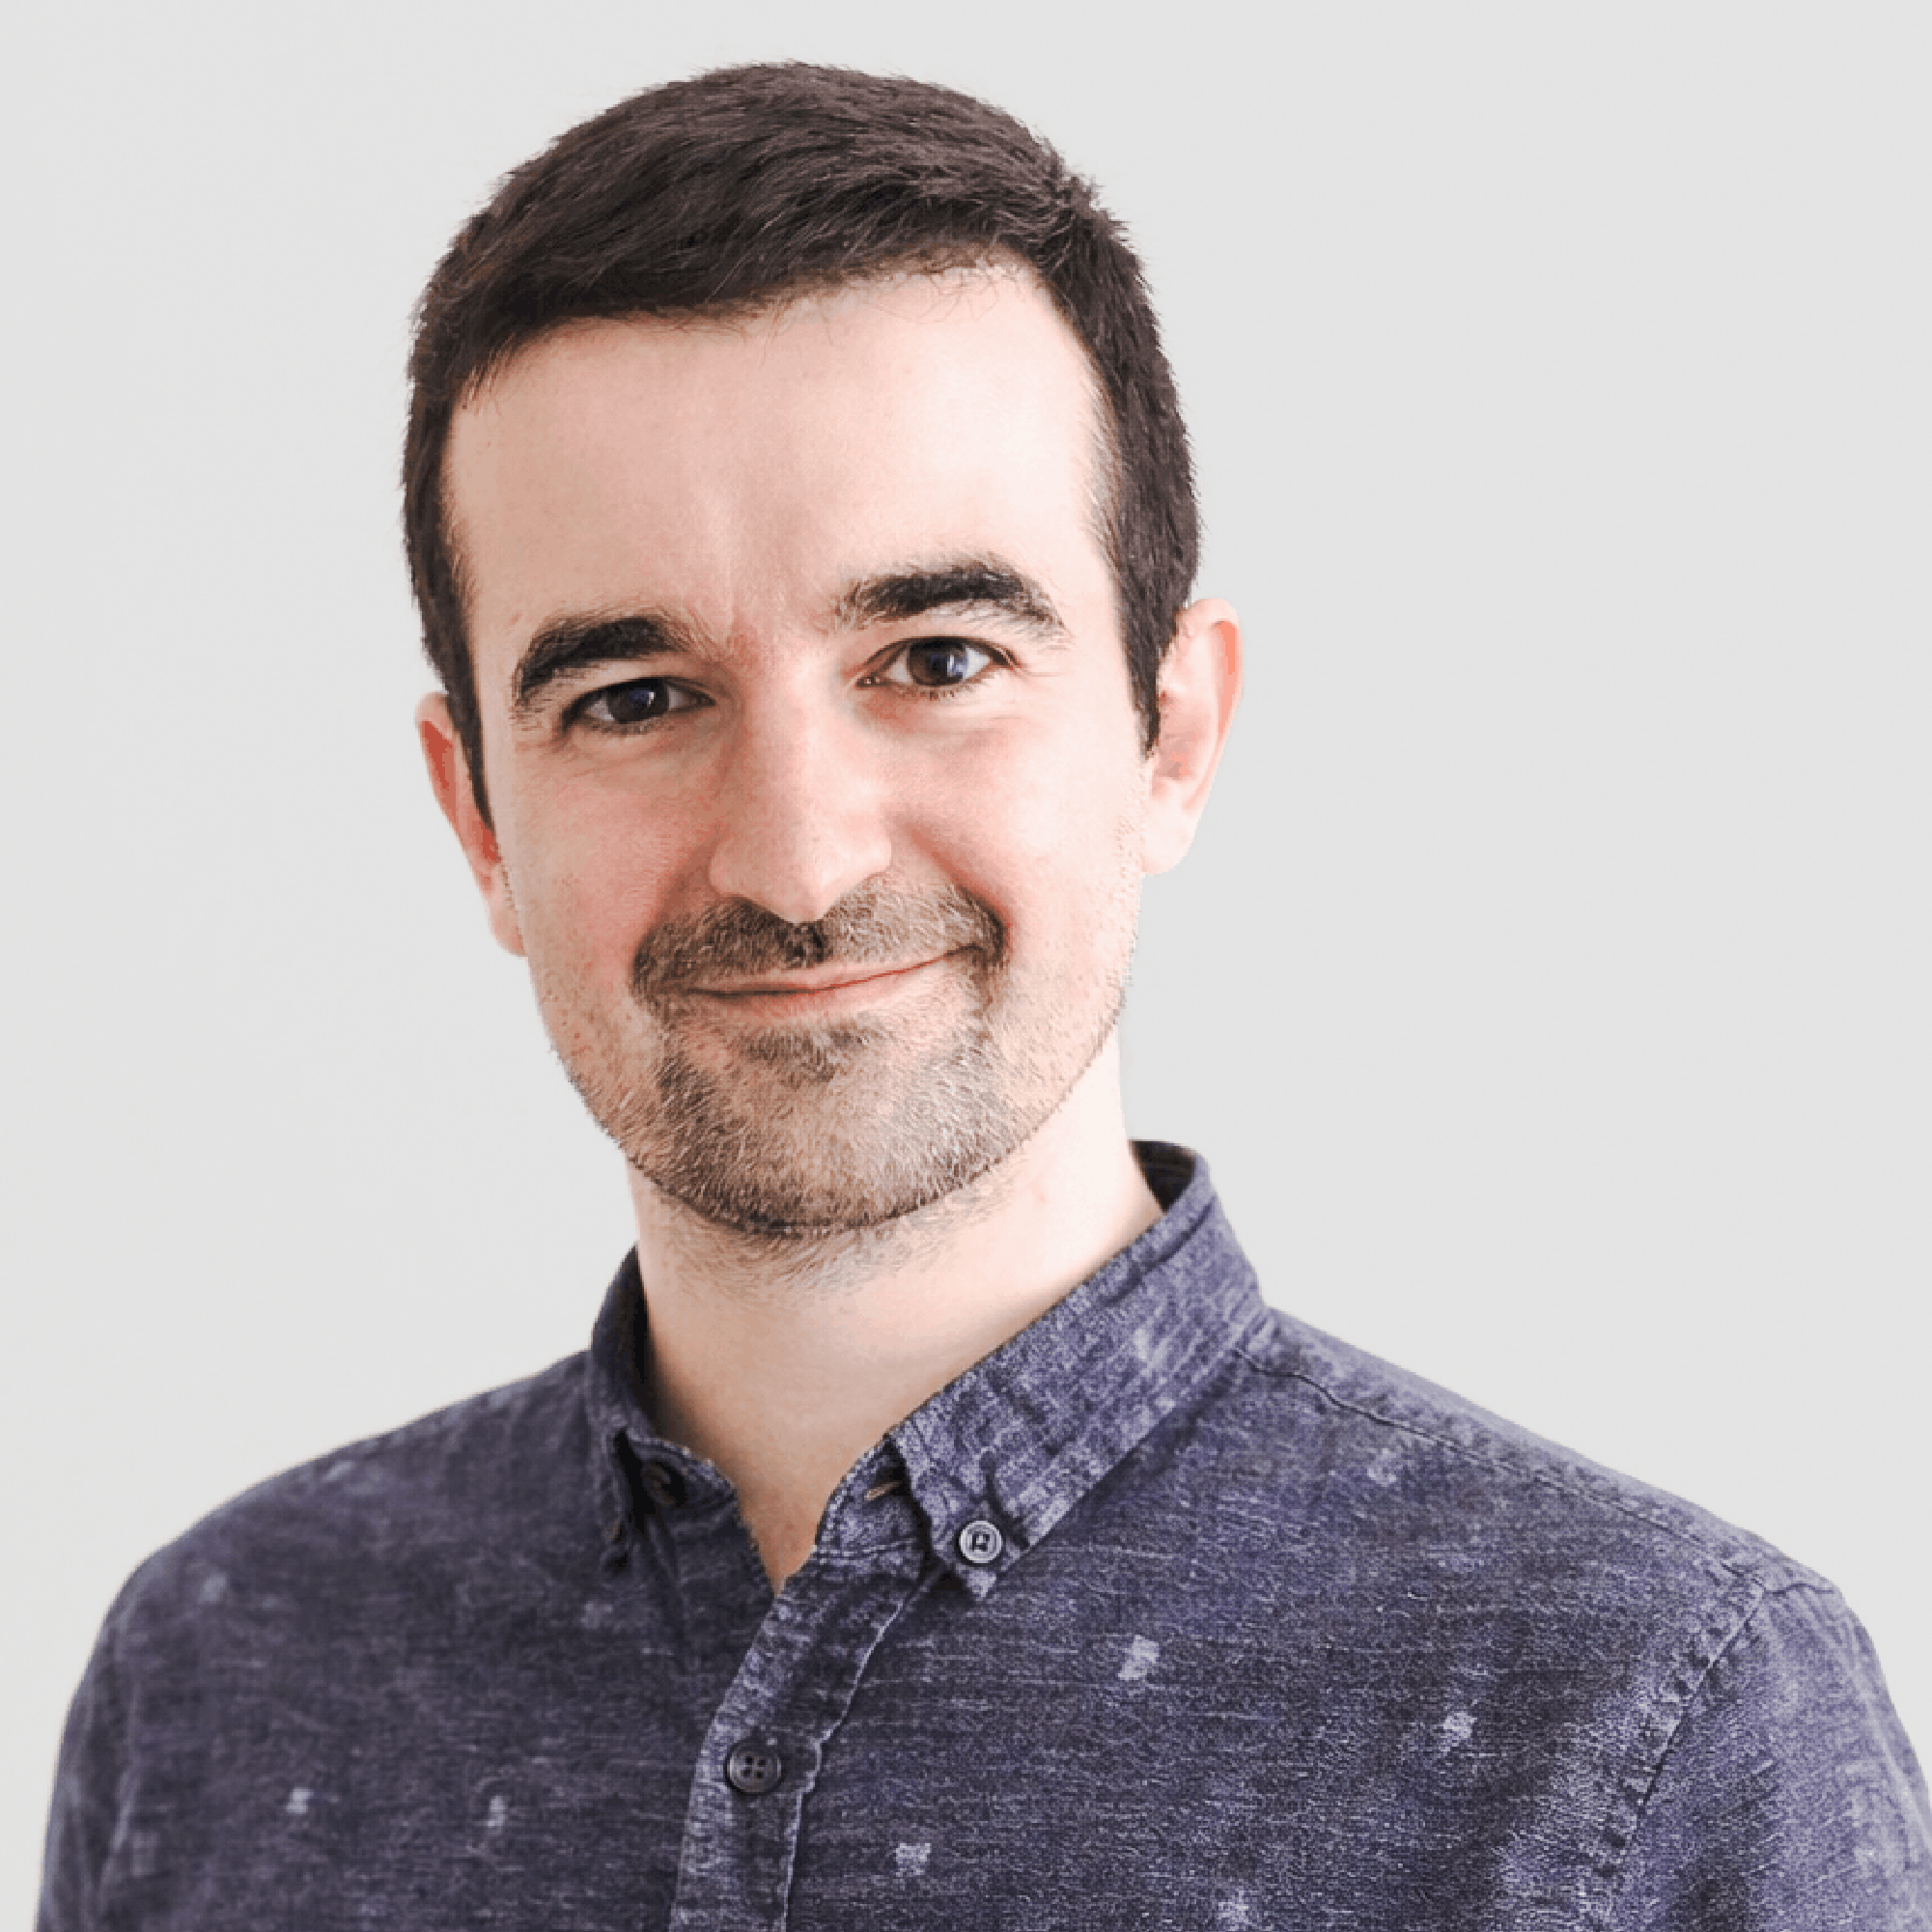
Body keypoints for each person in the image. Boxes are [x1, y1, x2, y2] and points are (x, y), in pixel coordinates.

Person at [40, 61, 1931, 1930]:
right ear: (477, 821)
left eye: (935, 657)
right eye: (630, 698)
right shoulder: (219, 1672)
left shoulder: (1648, 1721)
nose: (794, 858)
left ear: (1167, 732)